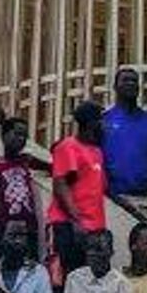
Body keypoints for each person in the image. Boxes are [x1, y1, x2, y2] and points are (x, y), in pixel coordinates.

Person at [48, 101, 110, 277]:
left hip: (94, 229)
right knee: (68, 278)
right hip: (71, 227)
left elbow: (102, 188)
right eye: (101, 120)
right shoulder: (68, 147)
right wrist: (77, 221)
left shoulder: (97, 151)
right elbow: (61, 185)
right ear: (91, 123)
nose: (104, 125)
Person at [0, 108, 48, 257]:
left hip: (28, 229)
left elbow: (52, 167)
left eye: (24, 136)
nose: (21, 139)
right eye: (17, 134)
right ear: (4, 135)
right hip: (3, 229)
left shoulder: (26, 160)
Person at [102, 66, 147, 210]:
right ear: (115, 87)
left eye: (134, 81)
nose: (130, 84)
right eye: (125, 80)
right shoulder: (103, 121)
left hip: (144, 201)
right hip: (110, 201)